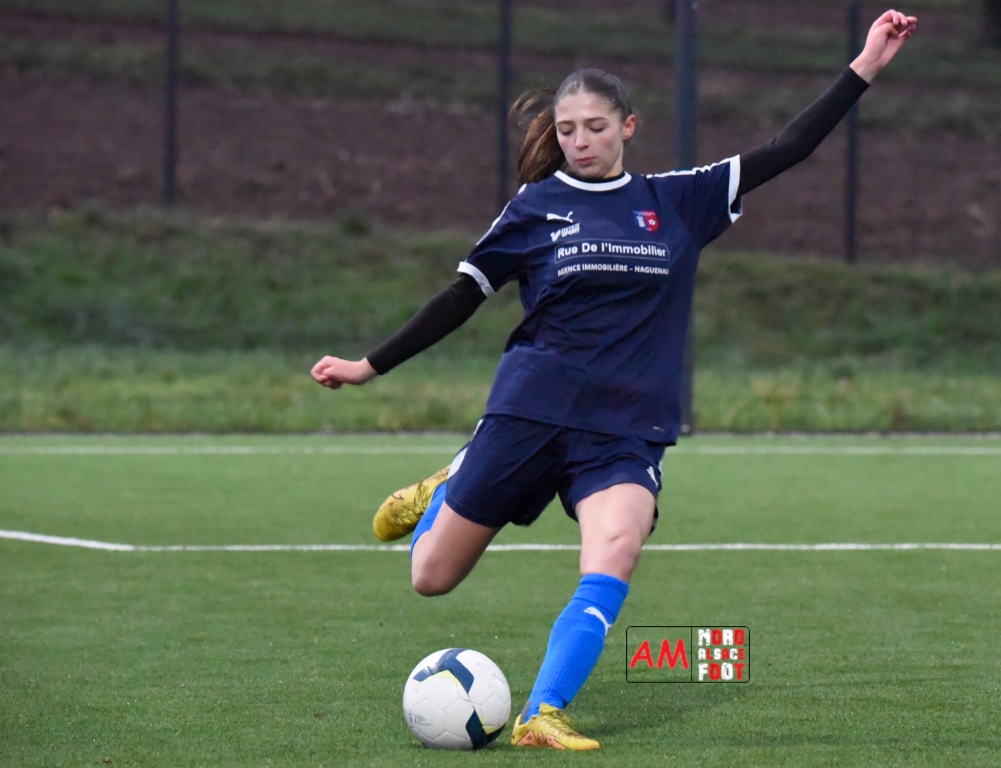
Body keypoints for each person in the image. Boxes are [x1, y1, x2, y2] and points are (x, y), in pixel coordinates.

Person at [311, 10, 916, 750]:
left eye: (595, 127)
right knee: (430, 577)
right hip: (531, 412)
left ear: (628, 126)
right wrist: (368, 366)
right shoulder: (535, 208)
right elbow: (461, 296)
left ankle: (543, 712)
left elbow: (787, 148)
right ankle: (449, 483)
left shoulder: (678, 200)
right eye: (568, 130)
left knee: (616, 549)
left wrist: (865, 65)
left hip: (626, 429)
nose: (580, 141)